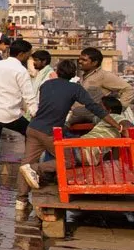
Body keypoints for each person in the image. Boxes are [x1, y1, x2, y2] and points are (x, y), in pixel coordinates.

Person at [19, 59, 120, 193]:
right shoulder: (75, 88)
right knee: (68, 160)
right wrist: (116, 125)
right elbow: (94, 107)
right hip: (50, 132)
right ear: (73, 74)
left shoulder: (46, 85)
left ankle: (21, 199)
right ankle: (36, 168)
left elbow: (51, 104)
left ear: (57, 71)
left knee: (25, 163)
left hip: (33, 127)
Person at [0, 38, 36, 201]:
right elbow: (29, 97)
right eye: (28, 55)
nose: (29, 58)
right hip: (10, 115)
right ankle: (29, 169)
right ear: (22, 54)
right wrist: (37, 115)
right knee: (32, 134)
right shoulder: (21, 71)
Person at [68, 47, 134, 125]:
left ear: (94, 63)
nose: (80, 61)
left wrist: (119, 109)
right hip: (77, 120)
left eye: (84, 60)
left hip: (94, 122)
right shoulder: (83, 77)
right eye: (80, 59)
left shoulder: (104, 76)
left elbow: (128, 89)